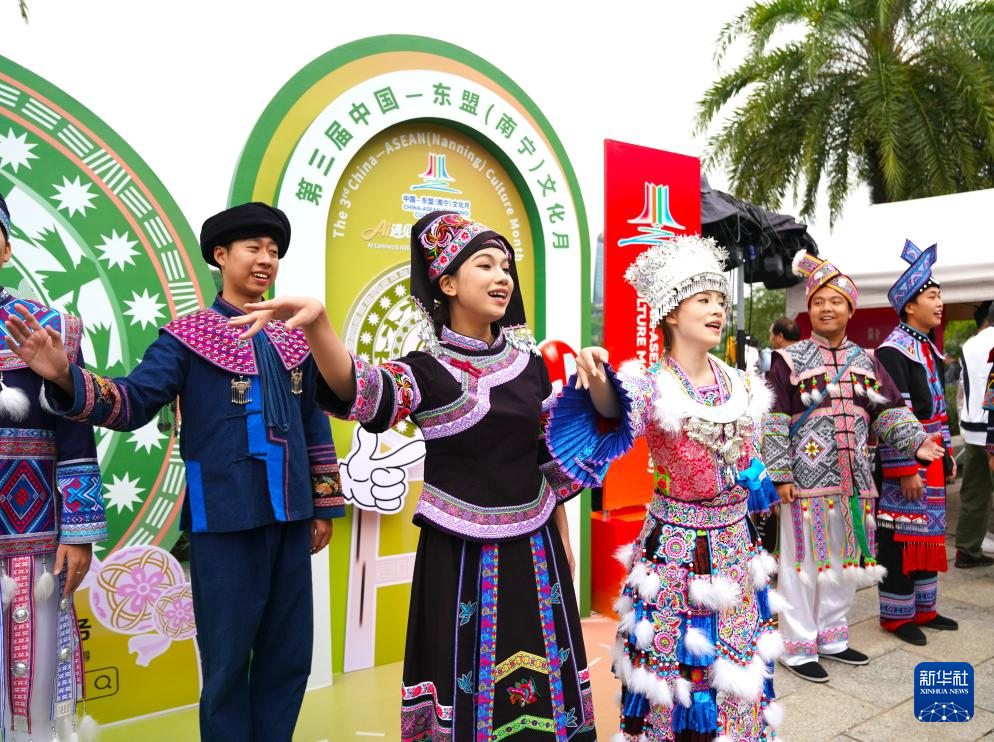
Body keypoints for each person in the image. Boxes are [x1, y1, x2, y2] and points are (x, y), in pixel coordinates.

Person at [230, 211, 594, 741]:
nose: (502, 277)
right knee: (466, 677)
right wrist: (318, 324)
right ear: (447, 283)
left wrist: (563, 541)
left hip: (536, 552)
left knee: (545, 674)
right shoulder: (424, 370)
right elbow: (359, 389)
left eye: (506, 266)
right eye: (485, 265)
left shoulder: (530, 364)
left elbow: (545, 459)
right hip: (461, 555)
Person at [5, 203, 345, 742]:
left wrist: (324, 505)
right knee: (227, 663)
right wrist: (66, 376)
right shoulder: (187, 337)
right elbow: (130, 402)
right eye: (253, 248)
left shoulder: (295, 338)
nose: (266, 260)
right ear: (221, 255)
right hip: (224, 520)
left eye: (274, 251)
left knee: (289, 656)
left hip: (292, 514)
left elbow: (314, 423)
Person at [544, 235, 783, 741]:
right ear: (672, 313)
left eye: (721, 302)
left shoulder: (741, 381)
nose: (717, 310)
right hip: (676, 551)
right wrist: (598, 377)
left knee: (740, 666)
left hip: (737, 546)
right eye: (704, 300)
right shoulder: (651, 383)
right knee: (674, 673)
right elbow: (612, 408)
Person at [762, 252, 942, 683]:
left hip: (855, 483)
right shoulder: (789, 359)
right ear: (808, 309)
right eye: (818, 301)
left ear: (850, 309)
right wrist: (780, 475)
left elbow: (890, 410)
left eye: (835, 301)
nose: (826, 308)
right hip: (803, 487)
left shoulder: (867, 360)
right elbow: (773, 419)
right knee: (801, 567)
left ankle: (832, 637)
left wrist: (917, 441)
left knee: (843, 565)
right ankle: (797, 646)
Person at [0, 192, 106, 742]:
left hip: (32, 536)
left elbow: (76, 429)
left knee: (36, 688)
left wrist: (80, 531)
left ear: (6, 247)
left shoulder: (46, 327)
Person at [874, 240, 958, 643]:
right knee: (899, 536)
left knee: (928, 534)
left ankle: (925, 609)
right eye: (932, 296)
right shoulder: (893, 351)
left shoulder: (927, 349)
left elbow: (938, 412)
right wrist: (905, 468)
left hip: (932, 455)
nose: (939, 304)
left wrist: (948, 454)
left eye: (940, 295)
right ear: (910, 306)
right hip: (906, 459)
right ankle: (896, 615)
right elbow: (892, 414)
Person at [957, 300, 994, 562]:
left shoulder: (969, 345)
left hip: (972, 427)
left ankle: (967, 550)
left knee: (973, 491)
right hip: (990, 425)